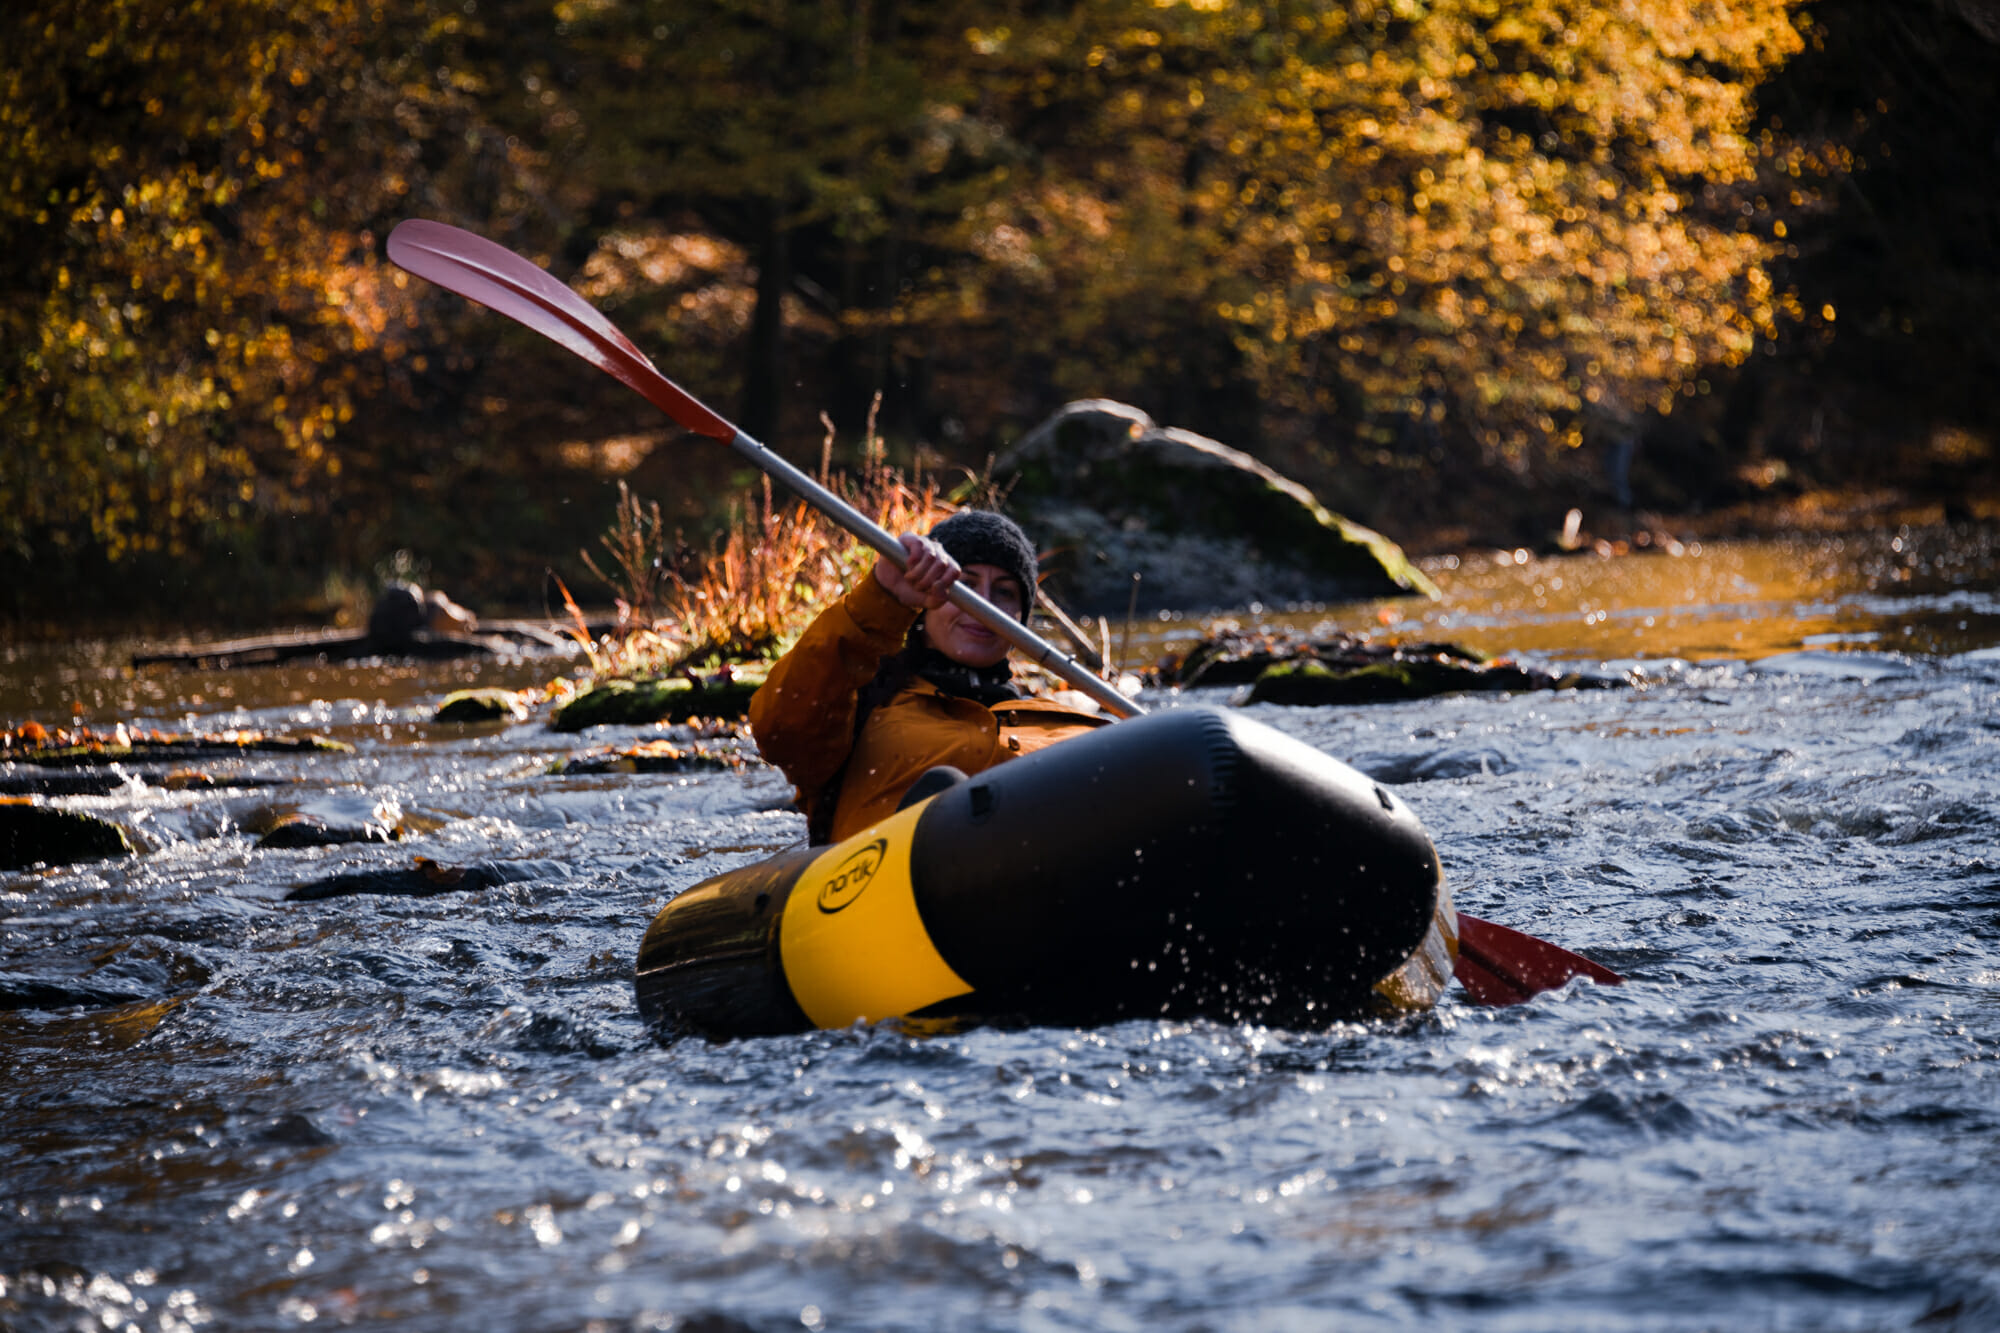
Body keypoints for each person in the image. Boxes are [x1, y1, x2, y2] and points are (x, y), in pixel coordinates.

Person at [749, 510, 1111, 843]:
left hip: (1050, 878)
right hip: (896, 886)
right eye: (964, 587)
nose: (983, 606)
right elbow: (780, 728)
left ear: (1021, 616)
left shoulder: (1079, 729)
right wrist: (881, 598)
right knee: (944, 790)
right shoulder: (862, 705)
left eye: (1003, 592)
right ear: (925, 600)